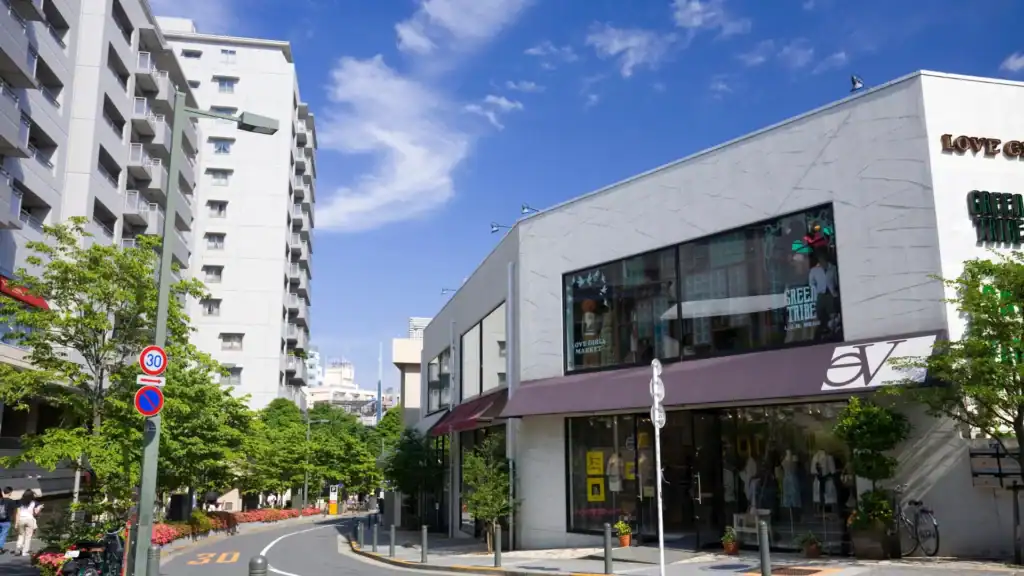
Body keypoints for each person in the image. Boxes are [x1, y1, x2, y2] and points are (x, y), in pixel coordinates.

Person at [14, 490, 42, 557]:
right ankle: (25, 552)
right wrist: (40, 508)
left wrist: (16, 523)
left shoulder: (19, 502)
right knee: (28, 536)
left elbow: (17, 513)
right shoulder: (35, 502)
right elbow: (36, 513)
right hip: (30, 519)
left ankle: (18, 547)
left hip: (21, 519)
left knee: (21, 534)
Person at [0, 487, 15, 554]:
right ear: (10, 492)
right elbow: (13, 512)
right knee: (3, 535)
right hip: (6, 521)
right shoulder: (11, 501)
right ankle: (0, 548)